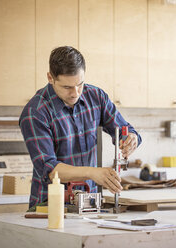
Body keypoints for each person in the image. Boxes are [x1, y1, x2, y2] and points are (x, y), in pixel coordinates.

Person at [19, 46, 142, 208]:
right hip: (50, 207)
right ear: (50, 78)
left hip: (89, 203)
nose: (75, 93)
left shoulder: (96, 97)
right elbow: (50, 169)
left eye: (80, 84)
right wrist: (92, 172)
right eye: (67, 87)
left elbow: (124, 129)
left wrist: (130, 138)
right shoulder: (35, 113)